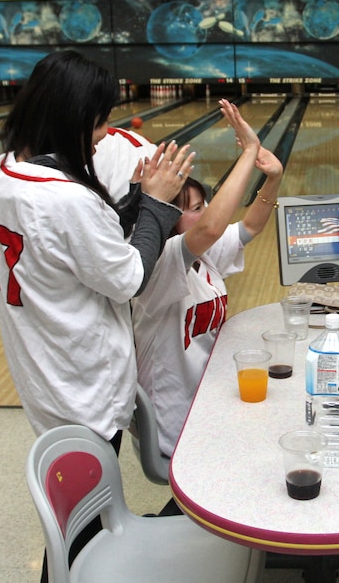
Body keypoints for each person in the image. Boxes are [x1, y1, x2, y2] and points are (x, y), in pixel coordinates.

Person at [0, 50, 193, 581]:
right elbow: (126, 276)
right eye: (98, 121)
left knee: (78, 521)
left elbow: (81, 243)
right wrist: (159, 206)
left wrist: (135, 201)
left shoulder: (4, 173)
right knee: (80, 540)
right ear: (70, 118)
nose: (104, 135)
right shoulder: (65, 200)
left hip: (45, 369)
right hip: (82, 385)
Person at [131, 99, 284, 458]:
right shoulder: (159, 264)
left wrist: (273, 177)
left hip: (208, 404)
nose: (204, 216)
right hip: (173, 425)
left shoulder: (202, 257)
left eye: (203, 206)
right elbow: (213, 227)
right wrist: (249, 152)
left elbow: (250, 225)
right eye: (194, 210)